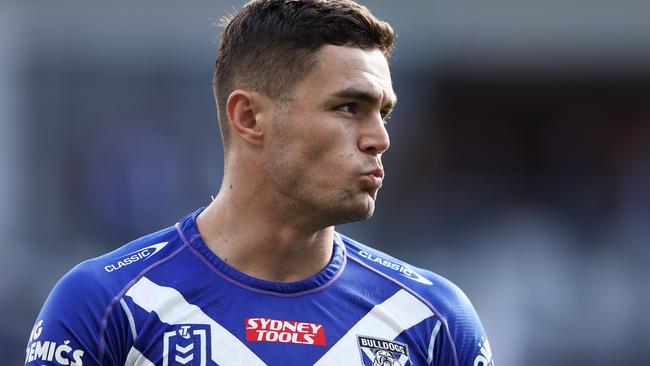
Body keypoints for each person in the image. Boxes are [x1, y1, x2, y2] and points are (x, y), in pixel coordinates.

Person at [24, 0, 494, 365]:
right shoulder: (108, 304)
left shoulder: (434, 320)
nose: (380, 139)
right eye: (349, 107)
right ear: (249, 117)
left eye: (383, 113)